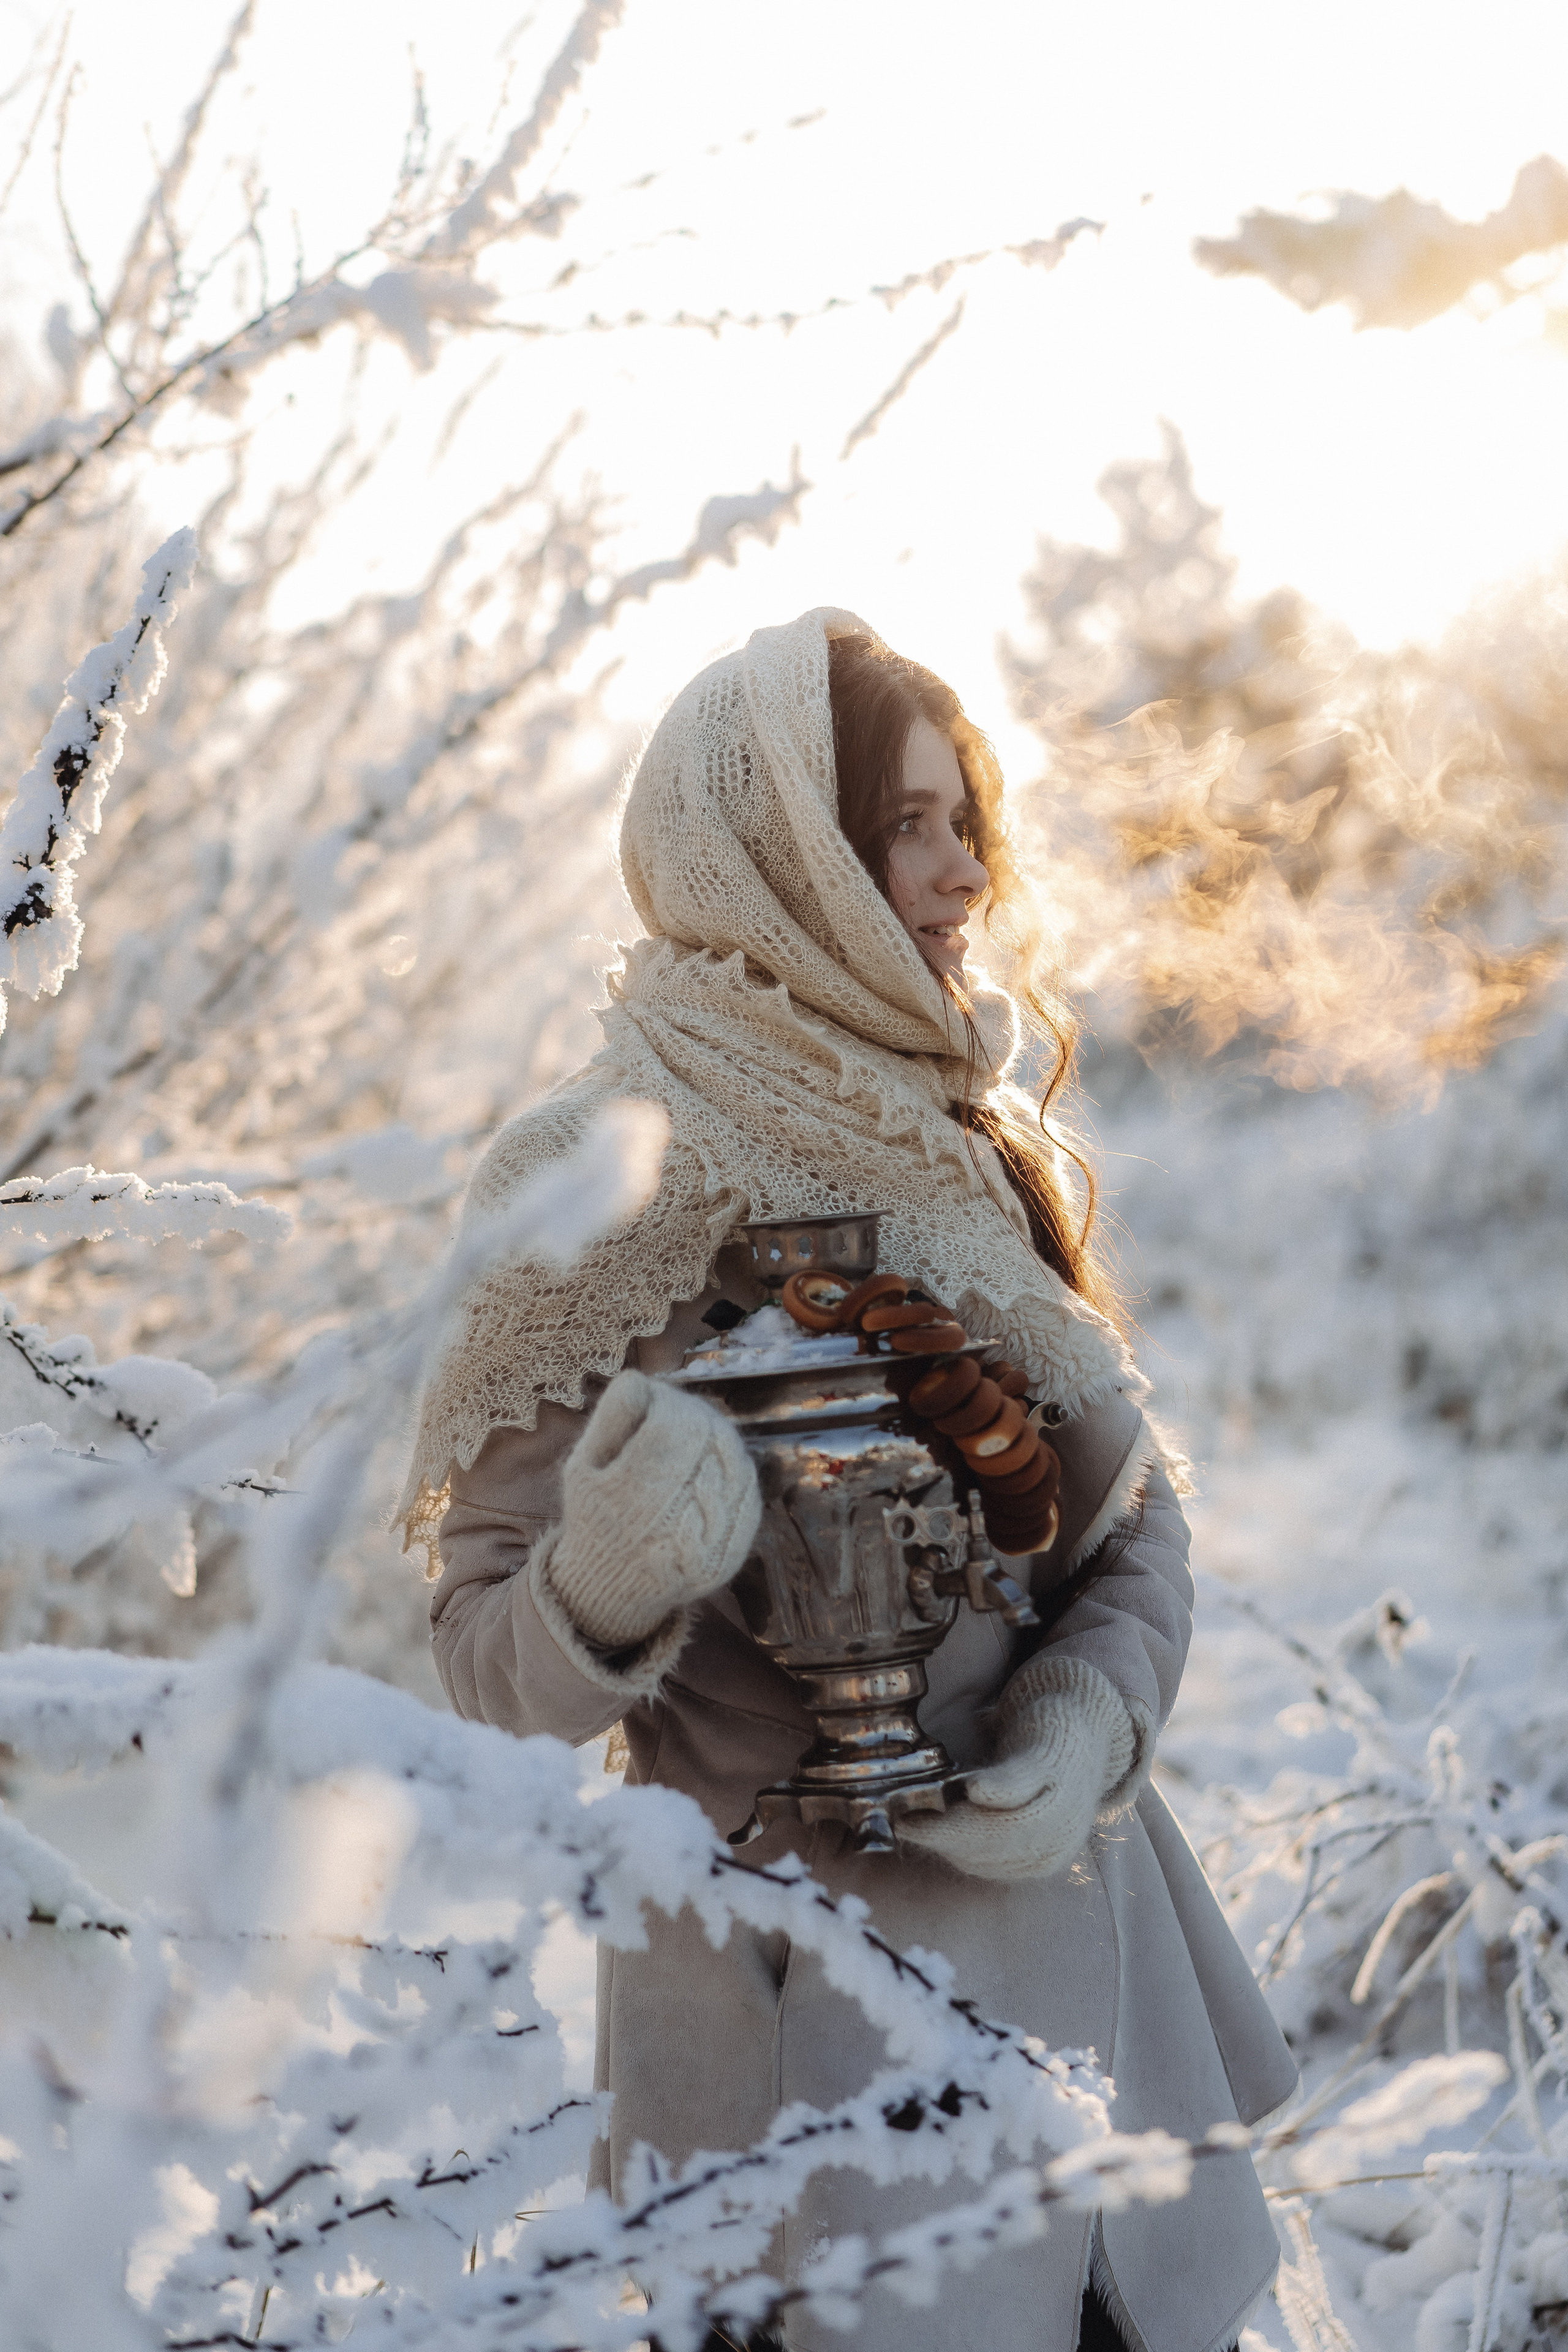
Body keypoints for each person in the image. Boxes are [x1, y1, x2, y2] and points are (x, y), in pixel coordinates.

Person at [399, 609, 1298, 2352]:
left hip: (1090, 2009)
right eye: (905, 825)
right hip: (815, 2076)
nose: (965, 872)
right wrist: (609, 1578)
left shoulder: (964, 1136)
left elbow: (1132, 1524)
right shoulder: (591, 1178)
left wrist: (1087, 1725)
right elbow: (486, 1675)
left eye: (970, 819)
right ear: (774, 855)